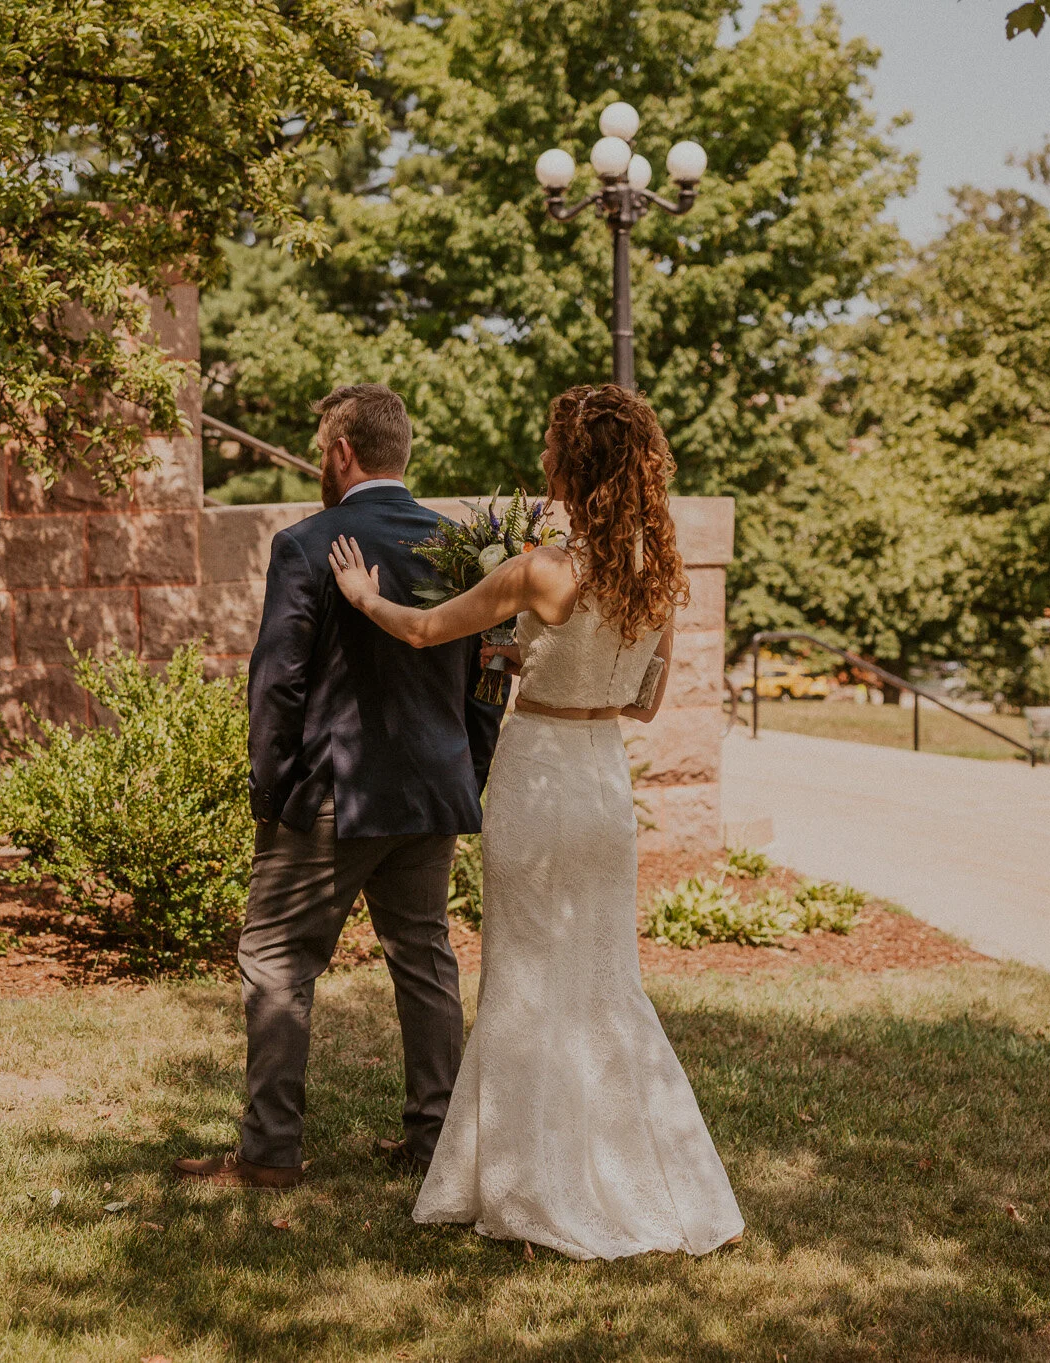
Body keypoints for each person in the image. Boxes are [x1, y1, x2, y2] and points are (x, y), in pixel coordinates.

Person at [324, 384, 744, 1260]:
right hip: (603, 788)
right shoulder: (648, 575)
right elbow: (645, 702)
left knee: (525, 977)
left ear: (574, 463)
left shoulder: (541, 567)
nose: (544, 454)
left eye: (554, 443)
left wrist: (365, 596)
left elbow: (424, 629)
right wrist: (537, 658)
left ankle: (533, 1184)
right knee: (601, 981)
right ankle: (647, 1181)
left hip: (541, 776)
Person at [173, 383, 503, 1189]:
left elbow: (276, 684)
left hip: (326, 796)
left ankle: (270, 1151)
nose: (324, 462)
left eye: (325, 448)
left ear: (342, 452)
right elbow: (487, 680)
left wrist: (274, 791)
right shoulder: (463, 549)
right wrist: (469, 769)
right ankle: (434, 1143)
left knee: (276, 955)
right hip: (430, 794)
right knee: (424, 960)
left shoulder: (308, 543)